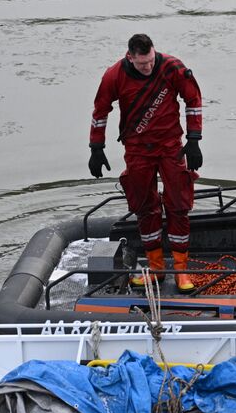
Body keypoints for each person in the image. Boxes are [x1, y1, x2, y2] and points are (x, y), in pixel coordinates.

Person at [87, 33, 204, 292]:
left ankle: (182, 271)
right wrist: (96, 147)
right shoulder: (114, 76)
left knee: (178, 204)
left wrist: (194, 139)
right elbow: (100, 111)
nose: (148, 67)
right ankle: (156, 267)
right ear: (130, 57)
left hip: (170, 144)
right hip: (137, 148)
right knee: (144, 206)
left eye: (151, 61)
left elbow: (193, 100)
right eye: (142, 64)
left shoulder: (172, 67)